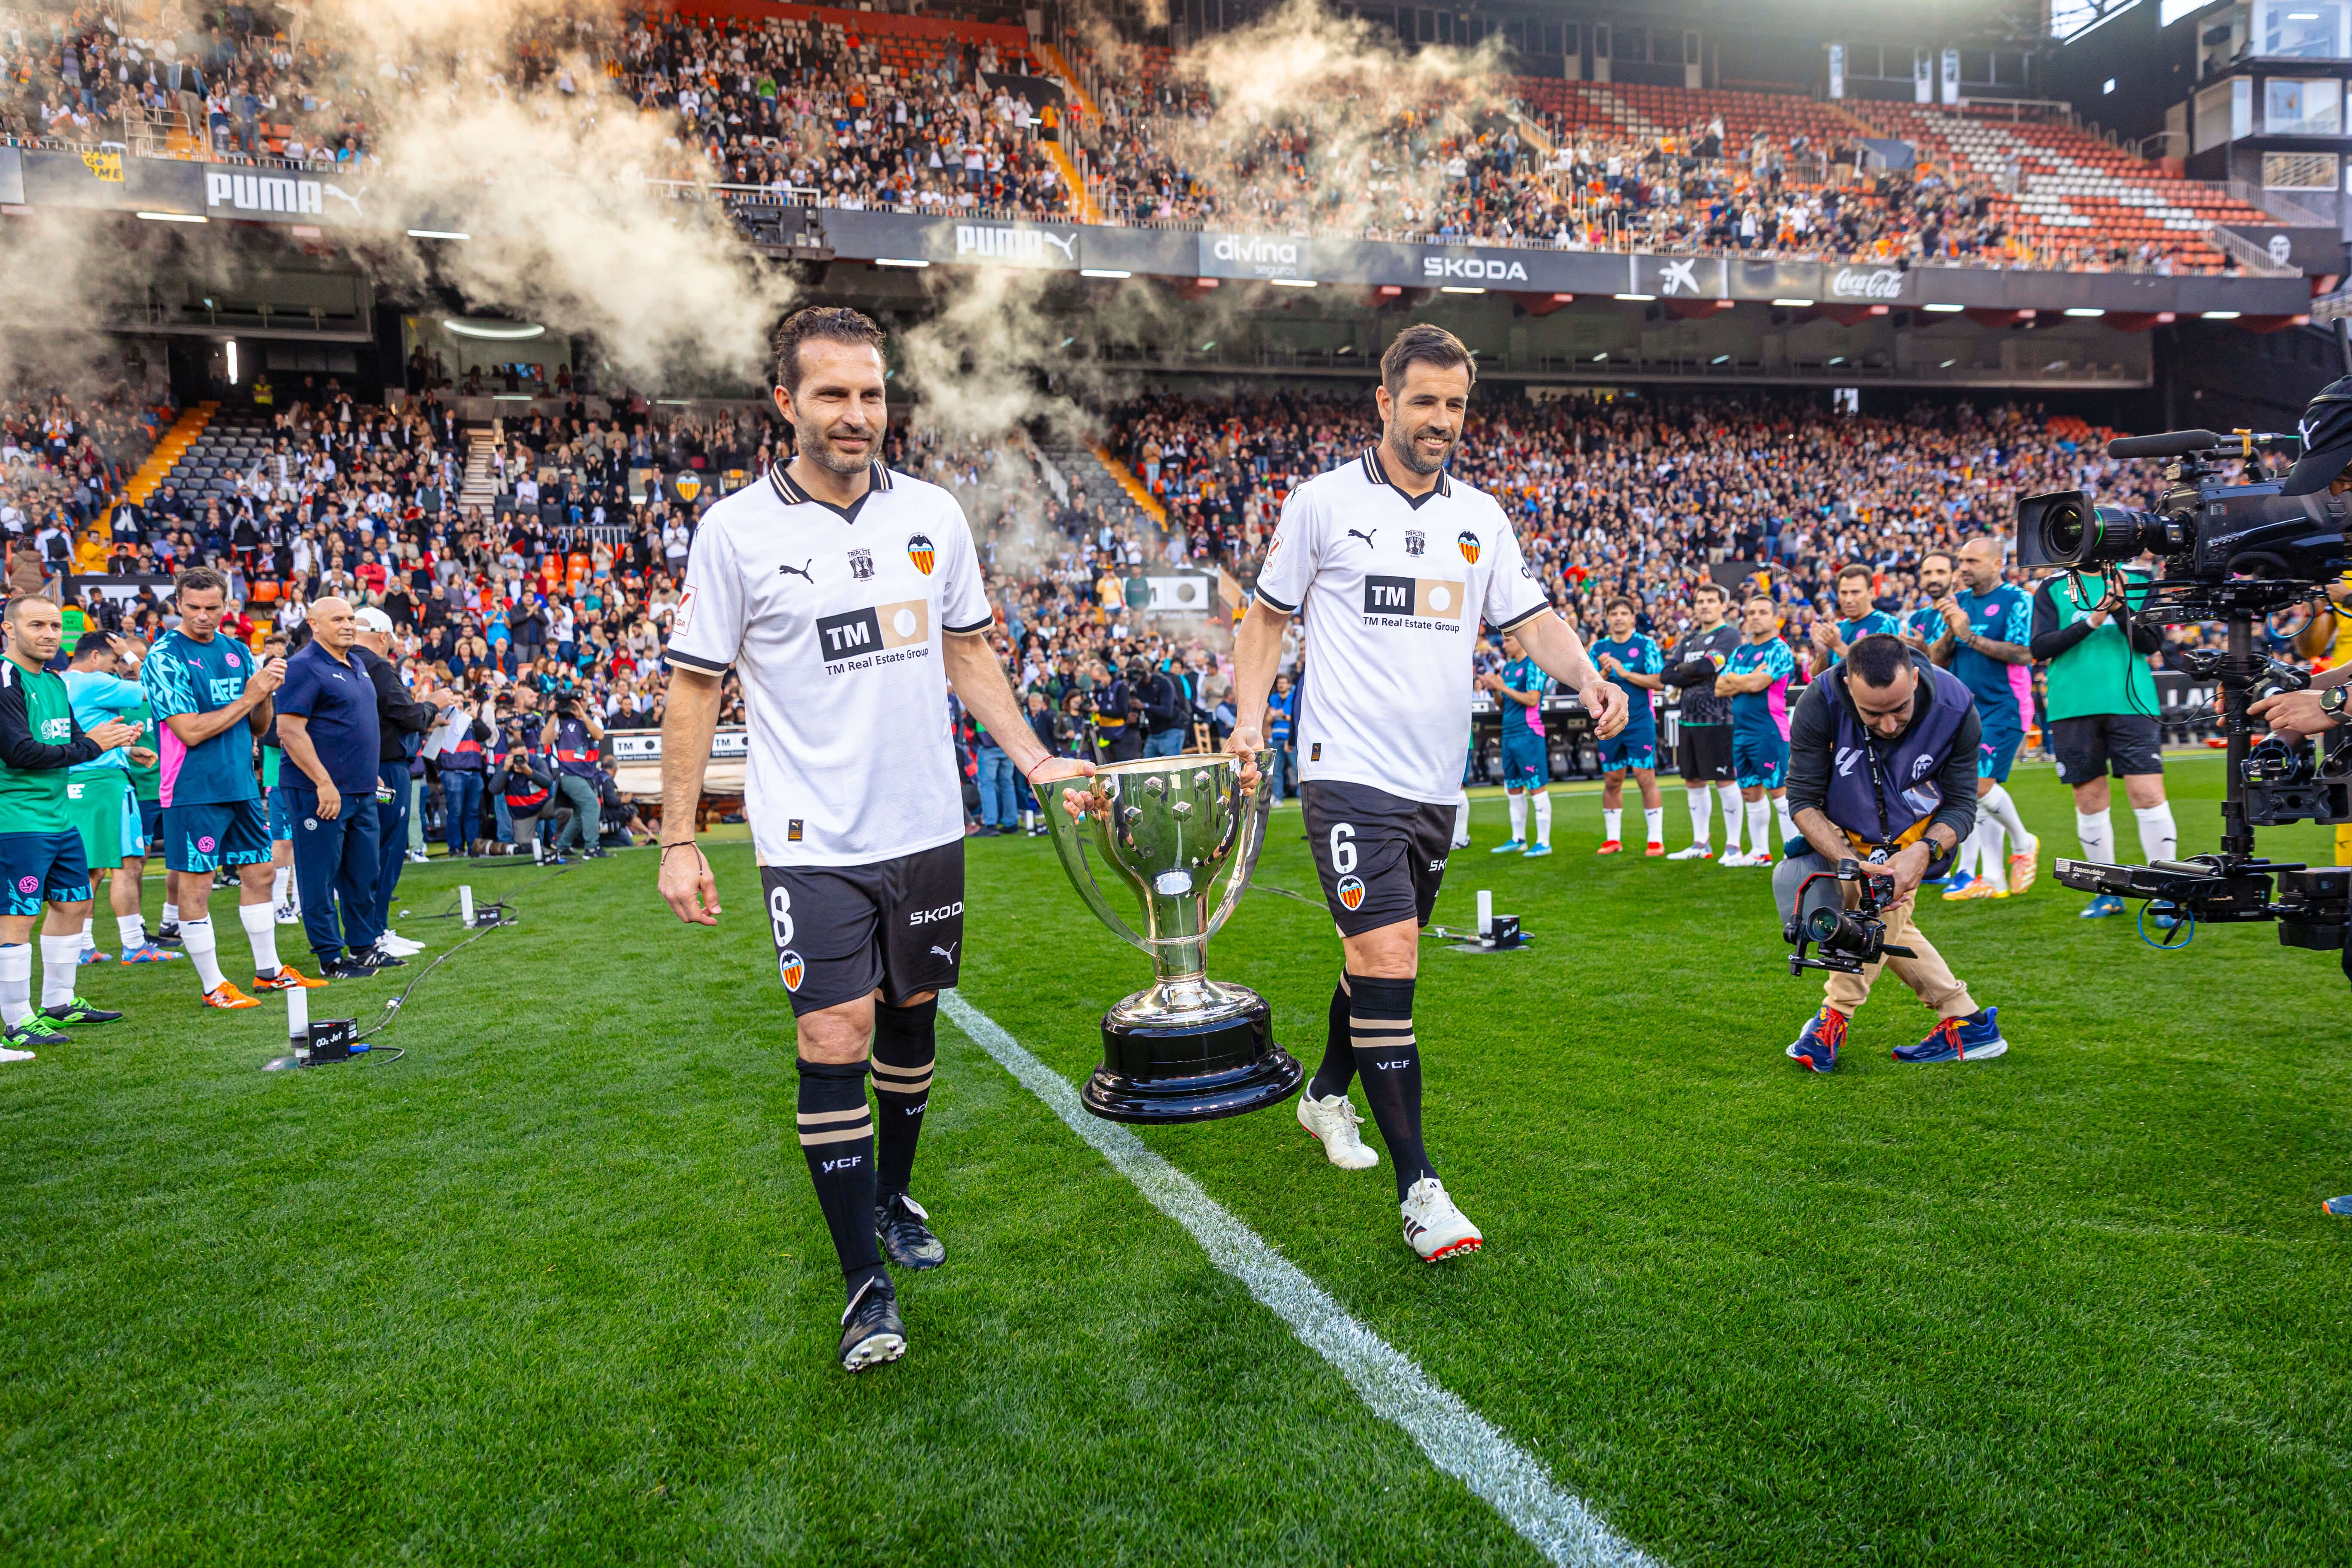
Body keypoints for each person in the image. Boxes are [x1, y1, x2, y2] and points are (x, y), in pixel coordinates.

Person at [656, 307, 1092, 1373]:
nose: (856, 415)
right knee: (834, 1035)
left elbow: (969, 653)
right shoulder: (736, 532)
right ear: (785, 405)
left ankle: (893, 1194)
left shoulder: (933, 516)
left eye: (870, 393)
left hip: (925, 827)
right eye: (832, 395)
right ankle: (863, 1282)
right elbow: (694, 685)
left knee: (909, 1024)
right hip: (810, 838)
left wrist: (1033, 760)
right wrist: (678, 838)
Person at [1224, 324, 1627, 1263]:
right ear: (1384, 402)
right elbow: (1267, 618)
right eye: (1425, 402)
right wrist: (1250, 718)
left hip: (1434, 784)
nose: (1441, 420)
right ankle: (1422, 1192)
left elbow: (1531, 619)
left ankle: (1327, 1096)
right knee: (1392, 957)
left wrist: (1587, 678)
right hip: (1345, 770)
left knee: (1381, 965)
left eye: (1455, 405)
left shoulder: (1480, 518)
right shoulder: (1322, 504)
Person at [1774, 634, 2005, 1072]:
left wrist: (1925, 849)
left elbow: (1961, 805)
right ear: (1848, 684)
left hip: (1912, 837)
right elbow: (1802, 798)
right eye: (1872, 714)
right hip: (1845, 834)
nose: (1888, 725)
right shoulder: (1819, 702)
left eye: (1900, 709)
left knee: (1868, 923)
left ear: (1916, 678)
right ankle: (1968, 1020)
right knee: (1886, 928)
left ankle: (1832, 1019)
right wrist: (1846, 860)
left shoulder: (1957, 708)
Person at [139, 567, 308, 1008]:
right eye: (193, 608)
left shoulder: (235, 649)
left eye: (212, 607)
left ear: (226, 605)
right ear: (178, 604)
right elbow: (190, 731)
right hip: (194, 787)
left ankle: (269, 972)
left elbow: (259, 726)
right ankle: (214, 986)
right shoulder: (164, 657)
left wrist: (267, 691)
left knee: (263, 873)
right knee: (197, 886)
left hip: (239, 783)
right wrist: (252, 695)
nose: (202, 616)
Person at [0, 596, 140, 1058]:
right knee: (18, 916)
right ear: (9, 629)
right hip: (17, 819)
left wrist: (118, 745)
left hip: (58, 816)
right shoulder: (6, 678)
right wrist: (92, 748)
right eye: (37, 625)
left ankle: (58, 1002)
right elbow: (19, 753)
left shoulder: (55, 681)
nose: (49, 634)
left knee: (74, 902)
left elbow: (76, 739)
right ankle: (17, 1020)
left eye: (56, 626)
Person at [2030, 561, 2174, 917]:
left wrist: (2120, 607)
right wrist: (2092, 620)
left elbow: (2151, 643)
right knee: (2090, 800)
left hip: (2132, 702)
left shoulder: (2140, 579)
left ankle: (2166, 890)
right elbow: (2040, 646)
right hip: (2072, 704)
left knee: (2148, 794)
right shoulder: (2052, 586)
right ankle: (2107, 892)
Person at [274, 598, 391, 978]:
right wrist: (323, 781)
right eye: (338, 619)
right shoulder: (304, 667)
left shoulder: (356, 663)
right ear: (314, 624)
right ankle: (330, 957)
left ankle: (363, 946)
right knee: (319, 873)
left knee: (363, 871)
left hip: (360, 789)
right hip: (319, 792)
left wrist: (366, 772)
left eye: (351, 619)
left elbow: (353, 726)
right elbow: (289, 730)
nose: (347, 625)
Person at [1929, 536, 2040, 901]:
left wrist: (1968, 634)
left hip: (2005, 706)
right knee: (1974, 791)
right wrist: (1951, 629)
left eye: (1972, 561)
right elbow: (1936, 660)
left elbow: (2024, 653)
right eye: (1961, 561)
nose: (1963, 568)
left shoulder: (2018, 600)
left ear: (1997, 564)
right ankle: (1993, 878)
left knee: (1978, 785)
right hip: (1965, 709)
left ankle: (2023, 843)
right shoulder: (1957, 603)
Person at [61, 634, 169, 965]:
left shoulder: (58, 682)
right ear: (95, 657)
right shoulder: (94, 682)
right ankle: (135, 944)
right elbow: (156, 688)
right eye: (112, 664)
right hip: (104, 782)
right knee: (127, 862)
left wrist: (126, 748)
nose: (115, 671)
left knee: (90, 868)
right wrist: (133, 658)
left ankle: (83, 945)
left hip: (72, 779)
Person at [352, 606, 447, 958]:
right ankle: (375, 932)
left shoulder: (349, 663)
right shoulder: (376, 665)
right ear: (383, 635)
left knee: (374, 850)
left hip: (369, 762)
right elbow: (406, 714)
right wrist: (433, 706)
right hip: (387, 765)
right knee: (387, 849)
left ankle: (373, 930)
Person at [1712, 594, 1798, 868]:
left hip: (1769, 729)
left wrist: (1738, 679)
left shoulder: (1780, 649)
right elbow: (1719, 688)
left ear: (1775, 618)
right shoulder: (1740, 652)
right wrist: (1747, 679)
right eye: (1751, 612)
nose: (1756, 617)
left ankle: (1792, 853)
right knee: (1750, 791)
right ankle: (1760, 852)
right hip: (1742, 731)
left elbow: (1758, 685)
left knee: (1779, 790)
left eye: (1762, 612)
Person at [1665, 582, 1743, 861]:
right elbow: (1666, 674)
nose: (1705, 605)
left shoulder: (1730, 635)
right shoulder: (1688, 640)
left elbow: (1707, 667)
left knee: (1725, 779)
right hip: (1689, 720)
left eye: (1711, 600)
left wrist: (1686, 672)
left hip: (1720, 718)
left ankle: (1734, 846)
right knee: (1693, 781)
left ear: (1723, 605)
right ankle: (1701, 844)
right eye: (1701, 601)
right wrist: (1694, 672)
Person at [1588, 597, 1666, 856]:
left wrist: (1624, 672)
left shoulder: (1646, 645)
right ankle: (1613, 839)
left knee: (1645, 778)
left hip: (1639, 721)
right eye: (1614, 613)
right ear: (1607, 618)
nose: (1619, 618)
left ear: (1633, 618)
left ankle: (1655, 840)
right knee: (1612, 779)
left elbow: (1659, 681)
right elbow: (1587, 687)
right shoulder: (1598, 648)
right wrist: (1604, 677)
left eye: (1624, 613)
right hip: (1608, 722)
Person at [1477, 627, 1554, 857]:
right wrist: (1496, 691)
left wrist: (1503, 687)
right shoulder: (1508, 669)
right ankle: (1518, 839)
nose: (1504, 644)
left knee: (1536, 786)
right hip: (1509, 732)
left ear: (1522, 641)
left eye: (1509, 640)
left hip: (1528, 733)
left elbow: (1533, 700)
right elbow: (1503, 705)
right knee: (1512, 787)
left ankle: (1544, 842)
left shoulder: (1534, 665)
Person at [542, 692, 607, 861]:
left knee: (580, 814)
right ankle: (592, 848)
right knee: (592, 806)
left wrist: (583, 715)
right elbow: (545, 740)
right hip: (569, 774)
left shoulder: (593, 718)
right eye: (579, 701)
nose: (579, 704)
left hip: (588, 774)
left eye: (582, 701)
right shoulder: (560, 720)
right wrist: (555, 713)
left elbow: (599, 735)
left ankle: (562, 847)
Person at [1812, 562, 1904, 666]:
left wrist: (1838, 646)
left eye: (1855, 592)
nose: (1848, 600)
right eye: (1844, 593)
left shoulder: (1887, 624)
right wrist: (1822, 654)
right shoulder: (1838, 628)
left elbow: (1881, 671)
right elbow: (1818, 675)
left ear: (1871, 593)